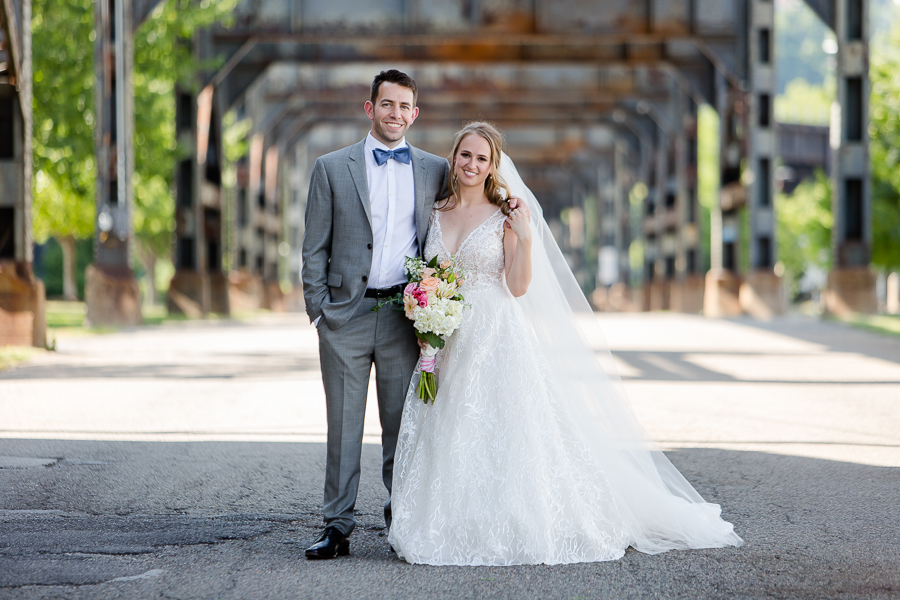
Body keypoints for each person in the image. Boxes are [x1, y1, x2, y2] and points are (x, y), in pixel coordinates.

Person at [388, 122, 744, 566]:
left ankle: (510, 519)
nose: (472, 165)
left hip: (495, 334)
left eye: (482, 158)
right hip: (446, 335)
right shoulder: (435, 210)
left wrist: (528, 237)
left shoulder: (508, 214)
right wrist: (427, 313)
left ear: (493, 165)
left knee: (502, 429)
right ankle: (450, 519)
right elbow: (427, 272)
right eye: (465, 155)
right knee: (450, 427)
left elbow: (517, 287)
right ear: (453, 156)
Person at [301, 73, 528, 559]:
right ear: (371, 108)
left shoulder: (432, 170)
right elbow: (313, 248)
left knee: (404, 424)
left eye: (404, 106)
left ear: (415, 114)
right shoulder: (331, 167)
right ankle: (336, 527)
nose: (395, 114)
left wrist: (514, 212)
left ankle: (400, 518)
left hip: (405, 316)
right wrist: (319, 313)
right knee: (342, 426)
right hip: (345, 316)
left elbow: (478, 195)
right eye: (387, 105)